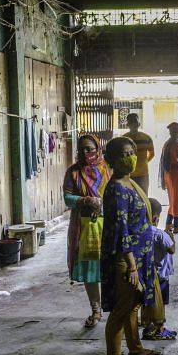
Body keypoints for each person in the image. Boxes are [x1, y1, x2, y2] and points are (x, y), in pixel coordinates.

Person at [101, 136, 162, 355]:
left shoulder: (130, 182)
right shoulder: (117, 188)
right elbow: (122, 230)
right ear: (112, 160)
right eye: (123, 155)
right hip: (128, 259)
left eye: (131, 153)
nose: (129, 158)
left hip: (139, 255)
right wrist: (132, 266)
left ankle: (135, 349)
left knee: (133, 305)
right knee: (122, 309)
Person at [63, 134, 110, 328]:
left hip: (108, 224)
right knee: (91, 268)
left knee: (111, 267)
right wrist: (85, 200)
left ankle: (116, 309)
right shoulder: (73, 172)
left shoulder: (108, 169)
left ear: (98, 149)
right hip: (83, 226)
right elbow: (67, 198)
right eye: (81, 149)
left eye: (89, 149)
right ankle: (96, 310)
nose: (85, 153)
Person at [140, 198, 177, 341]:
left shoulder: (140, 233)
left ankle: (148, 328)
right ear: (155, 217)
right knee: (160, 304)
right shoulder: (160, 234)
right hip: (160, 277)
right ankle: (160, 329)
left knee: (147, 302)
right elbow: (172, 249)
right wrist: (171, 234)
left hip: (146, 276)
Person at [122, 113, 154, 196]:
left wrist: (144, 162)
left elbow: (152, 154)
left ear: (139, 124)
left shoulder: (124, 138)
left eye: (134, 122)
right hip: (129, 174)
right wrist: (144, 162)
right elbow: (152, 154)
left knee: (141, 196)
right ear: (127, 124)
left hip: (141, 174)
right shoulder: (124, 139)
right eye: (131, 122)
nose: (133, 124)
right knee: (133, 196)